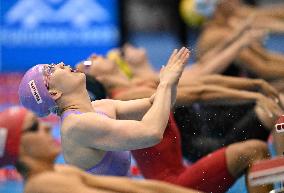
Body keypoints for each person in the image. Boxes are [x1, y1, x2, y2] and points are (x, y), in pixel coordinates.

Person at [18, 47, 190, 176]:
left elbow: (158, 104)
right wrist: (165, 84)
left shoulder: (101, 106)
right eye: (51, 70)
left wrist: (172, 79)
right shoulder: (76, 126)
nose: (61, 64)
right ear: (54, 93)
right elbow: (151, 133)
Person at [0, 107, 203, 193]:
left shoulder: (61, 172)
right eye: (35, 127)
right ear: (17, 148)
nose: (46, 127)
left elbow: (136, 188)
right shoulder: (42, 184)